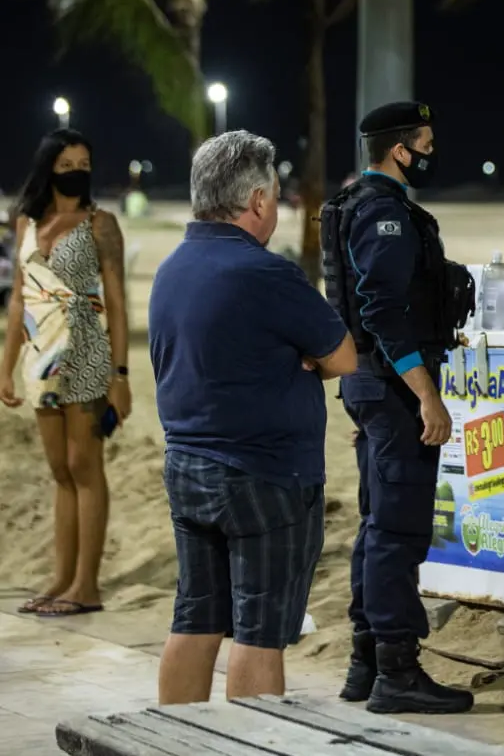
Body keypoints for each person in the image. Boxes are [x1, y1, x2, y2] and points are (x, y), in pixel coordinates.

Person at [149, 131, 356, 703]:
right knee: (260, 636)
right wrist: (302, 356)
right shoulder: (266, 273)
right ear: (259, 200)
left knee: (194, 621)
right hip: (265, 476)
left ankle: (171, 742)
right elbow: (342, 356)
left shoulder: (171, 269)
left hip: (187, 466)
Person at [323, 101, 476, 715]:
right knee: (397, 531)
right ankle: (397, 671)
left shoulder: (358, 203)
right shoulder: (383, 212)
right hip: (390, 388)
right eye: (427, 143)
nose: (434, 153)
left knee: (377, 526)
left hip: (372, 382)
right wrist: (426, 394)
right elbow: (382, 307)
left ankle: (366, 663)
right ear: (400, 150)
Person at [1, 129, 130, 618]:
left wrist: (120, 374)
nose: (77, 170)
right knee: (59, 472)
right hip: (40, 356)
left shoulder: (101, 223)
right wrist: (6, 366)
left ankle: (87, 586)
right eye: (67, 163)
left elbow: (117, 302)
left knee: (84, 467)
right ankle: (62, 576)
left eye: (84, 163)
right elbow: (19, 298)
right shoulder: (27, 223)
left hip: (86, 352)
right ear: (49, 167)